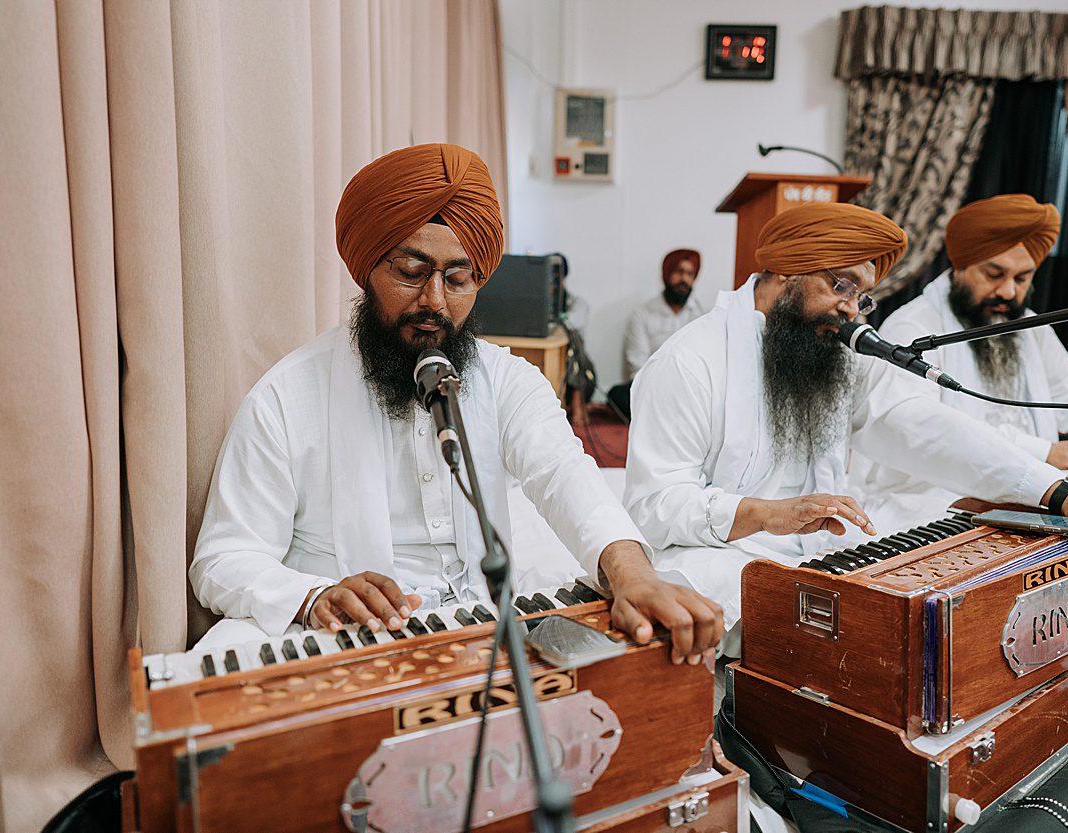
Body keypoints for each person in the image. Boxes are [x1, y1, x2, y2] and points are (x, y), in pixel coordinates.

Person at [190, 144, 724, 664]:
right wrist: (313, 597)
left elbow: (566, 477)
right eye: (411, 271)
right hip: (344, 640)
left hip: (480, 623)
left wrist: (634, 575)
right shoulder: (286, 399)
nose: (435, 302)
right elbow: (223, 558)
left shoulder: (509, 379)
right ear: (366, 270)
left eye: (458, 278)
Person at [621, 202, 1068, 619]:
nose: (850, 309)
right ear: (785, 270)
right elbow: (654, 504)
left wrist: (1059, 491)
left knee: (943, 585)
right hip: (723, 557)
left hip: (822, 552)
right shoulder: (690, 362)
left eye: (861, 296)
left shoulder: (832, 352)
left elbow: (921, 425)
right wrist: (765, 512)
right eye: (840, 285)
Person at [869, 194, 1068, 492]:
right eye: (994, 275)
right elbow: (926, 430)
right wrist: (1045, 452)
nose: (1009, 292)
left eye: (1022, 278)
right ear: (959, 266)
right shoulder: (912, 328)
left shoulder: (1024, 323)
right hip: (931, 498)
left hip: (1029, 487)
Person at [611, 248, 709, 419]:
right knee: (616, 395)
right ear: (667, 274)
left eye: (690, 274)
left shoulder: (701, 316)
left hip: (689, 387)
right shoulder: (643, 314)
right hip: (653, 386)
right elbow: (638, 365)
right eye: (679, 272)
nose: (684, 279)